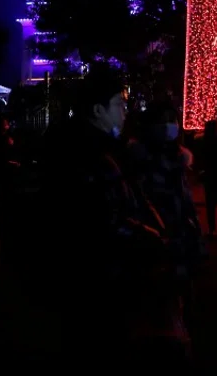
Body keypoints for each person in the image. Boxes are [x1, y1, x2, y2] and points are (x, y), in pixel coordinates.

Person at [37, 70, 176, 364]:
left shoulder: (101, 149)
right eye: (119, 105)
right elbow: (100, 220)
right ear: (98, 110)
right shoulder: (90, 156)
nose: (125, 111)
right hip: (98, 277)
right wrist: (149, 237)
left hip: (96, 276)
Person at [129, 101, 204, 332]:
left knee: (182, 298)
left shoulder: (178, 160)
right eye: (164, 122)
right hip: (158, 240)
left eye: (173, 121)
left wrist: (195, 236)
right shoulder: (141, 162)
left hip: (181, 240)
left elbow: (186, 204)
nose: (170, 127)